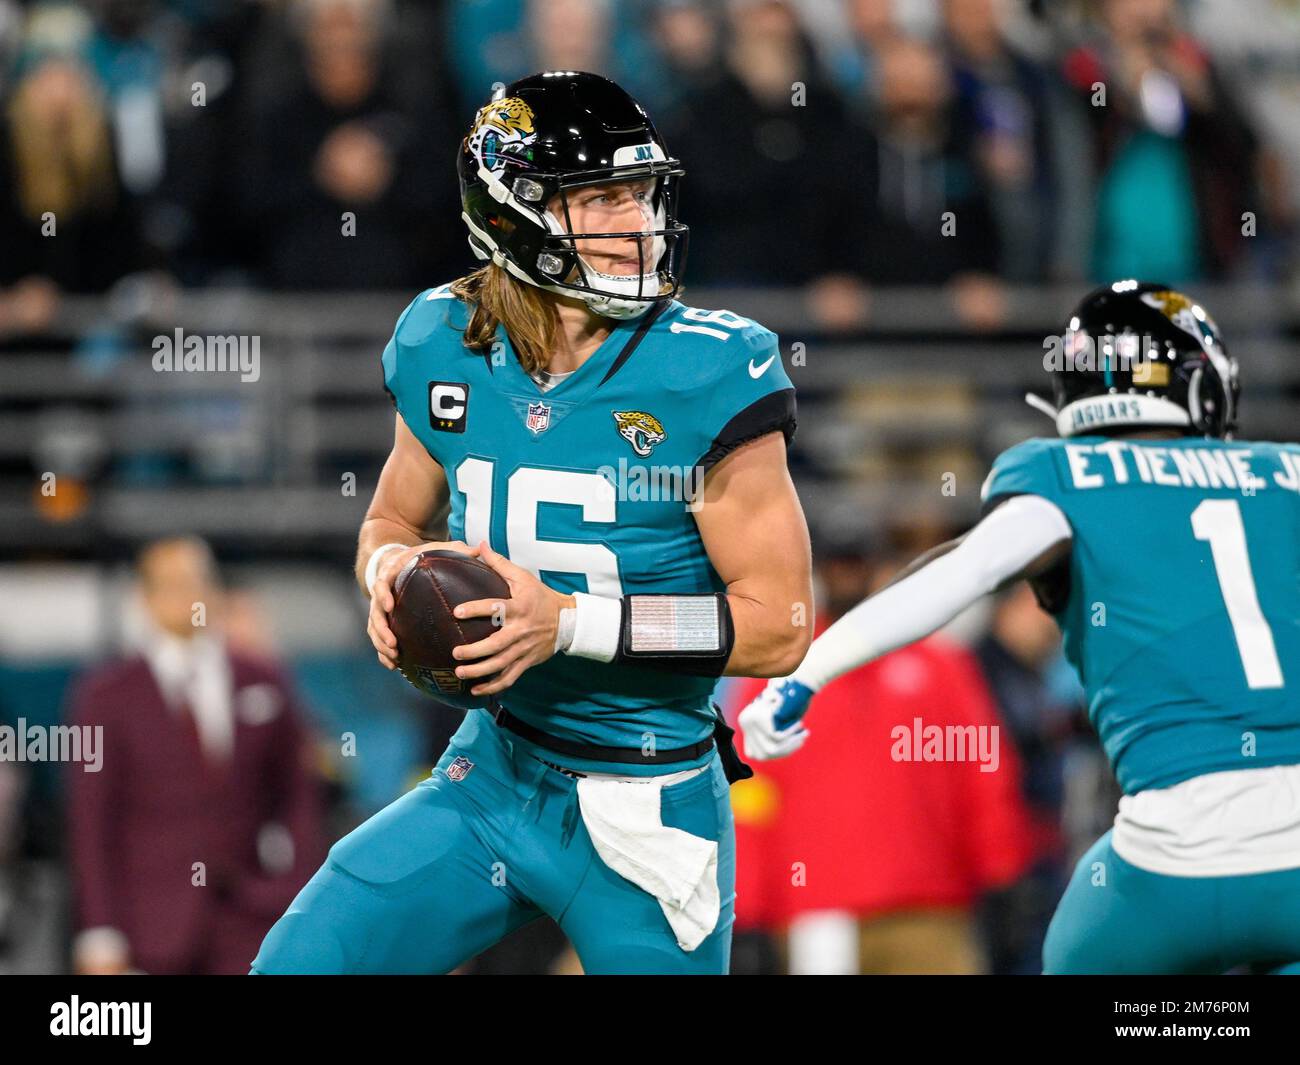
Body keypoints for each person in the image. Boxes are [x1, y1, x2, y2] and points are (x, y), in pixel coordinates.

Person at [252, 71, 813, 976]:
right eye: (599, 199)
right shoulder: (445, 339)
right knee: (300, 962)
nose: (636, 220)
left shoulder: (709, 370)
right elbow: (394, 514)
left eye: (640, 192)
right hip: (495, 773)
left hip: (649, 797)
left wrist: (565, 622)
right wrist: (388, 575)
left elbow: (780, 624)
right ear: (512, 214)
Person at [740, 281, 1300, 974]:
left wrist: (810, 670)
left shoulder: (1066, 475)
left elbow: (957, 573)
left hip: (1169, 859)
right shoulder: (1287, 469)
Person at [66, 537, 324, 975]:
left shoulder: (261, 677)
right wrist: (100, 933)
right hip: (148, 926)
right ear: (145, 599)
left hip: (249, 920)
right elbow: (92, 820)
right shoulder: (106, 696)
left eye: (199, 580)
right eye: (173, 583)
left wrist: (295, 892)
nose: (190, 594)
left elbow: (297, 797)